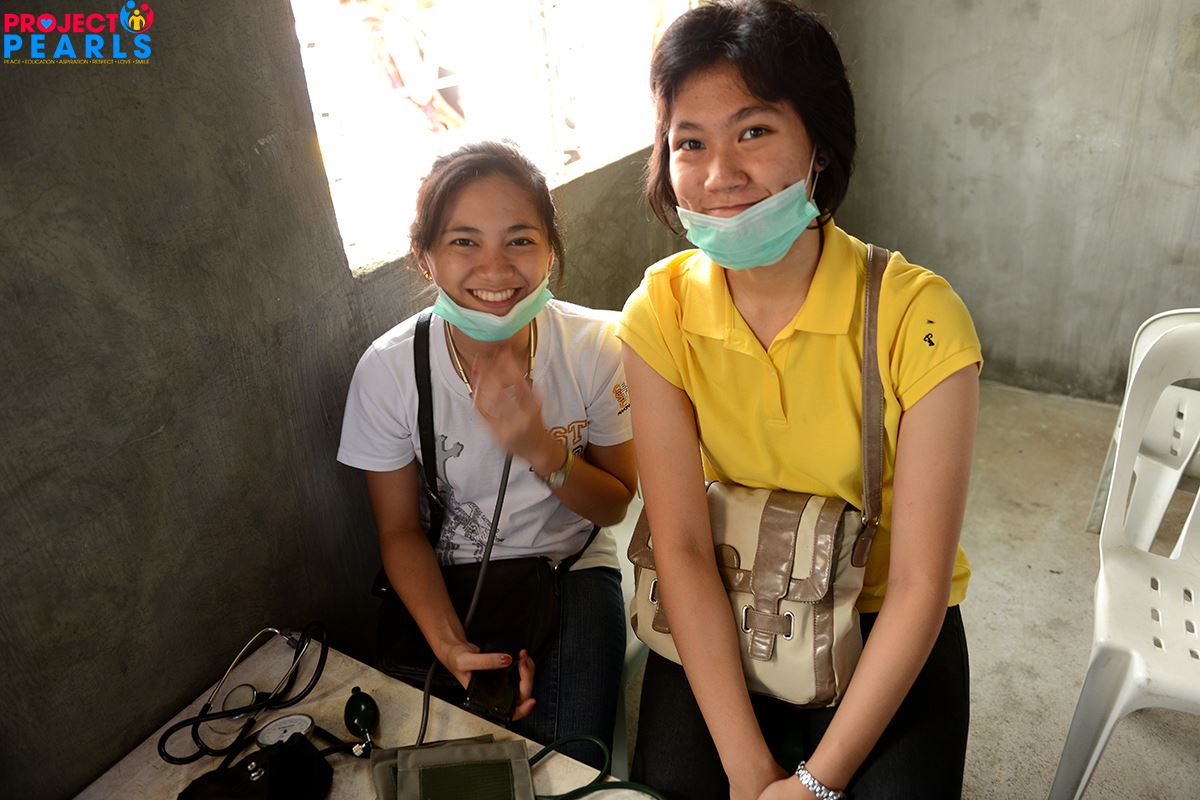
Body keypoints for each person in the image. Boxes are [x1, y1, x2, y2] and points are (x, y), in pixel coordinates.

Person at [617, 2, 981, 798]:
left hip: (882, 615)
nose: (719, 174)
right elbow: (681, 547)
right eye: (689, 142)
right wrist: (752, 773)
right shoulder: (659, 314)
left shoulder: (919, 317)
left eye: (753, 131)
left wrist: (815, 783)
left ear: (819, 145)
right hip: (729, 594)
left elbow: (919, 584)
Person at [337, 141, 636, 765]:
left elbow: (613, 505)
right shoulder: (389, 371)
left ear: (550, 249)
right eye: (464, 242)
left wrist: (540, 448)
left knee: (569, 762)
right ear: (424, 257)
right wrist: (452, 647)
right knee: (435, 765)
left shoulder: (597, 349)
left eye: (519, 240)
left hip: (571, 567)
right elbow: (399, 532)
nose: (495, 270)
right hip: (454, 578)